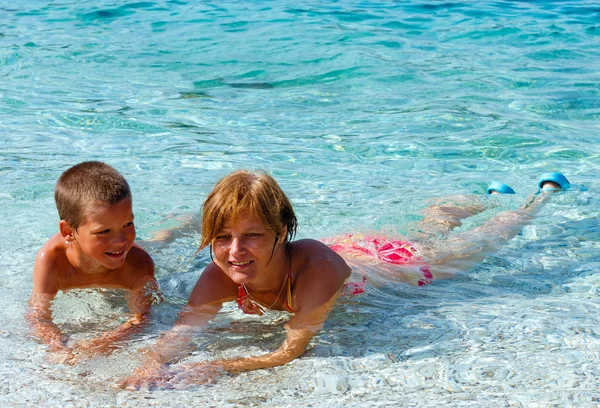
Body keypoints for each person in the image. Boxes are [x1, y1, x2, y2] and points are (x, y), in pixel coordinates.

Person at [119, 170, 569, 389]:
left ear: (281, 234)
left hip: (396, 268)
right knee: (428, 226)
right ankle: (480, 196)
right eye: (222, 237)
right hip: (355, 243)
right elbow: (182, 332)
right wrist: (149, 364)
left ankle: (534, 201)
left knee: (468, 248)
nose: (235, 252)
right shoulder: (221, 273)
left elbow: (288, 351)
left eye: (252, 236)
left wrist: (216, 366)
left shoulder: (317, 271)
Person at [26, 161, 162, 365]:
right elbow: (38, 315)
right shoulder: (52, 260)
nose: (121, 240)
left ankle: (174, 227)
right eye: (104, 231)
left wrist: (102, 343)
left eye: (128, 224)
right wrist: (58, 346)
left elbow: (142, 318)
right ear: (68, 232)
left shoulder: (139, 264)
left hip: (132, 254)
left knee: (159, 243)